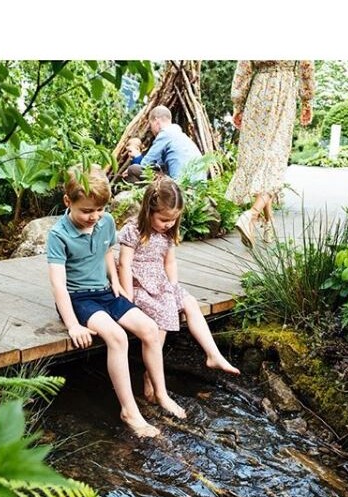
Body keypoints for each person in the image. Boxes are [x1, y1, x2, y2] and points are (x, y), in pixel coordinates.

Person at [47, 165, 186, 438]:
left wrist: (117, 284)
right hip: (78, 299)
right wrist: (74, 325)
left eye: (99, 210)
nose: (94, 217)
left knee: (148, 328)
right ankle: (130, 411)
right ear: (68, 202)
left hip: (106, 292)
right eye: (86, 211)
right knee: (118, 337)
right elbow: (58, 284)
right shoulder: (58, 235)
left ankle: (160, 393)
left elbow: (108, 253)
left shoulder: (106, 221)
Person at [118, 176, 240, 400]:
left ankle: (213, 354)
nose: (169, 224)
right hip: (139, 286)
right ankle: (151, 375)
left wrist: (173, 287)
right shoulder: (133, 230)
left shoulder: (166, 233)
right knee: (164, 314)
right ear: (148, 211)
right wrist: (126, 298)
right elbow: (124, 264)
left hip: (161, 283)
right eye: (164, 219)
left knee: (190, 302)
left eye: (173, 219)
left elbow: (169, 262)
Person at [227, 60, 315, 248]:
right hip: (283, 93)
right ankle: (251, 215)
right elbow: (306, 64)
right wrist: (307, 99)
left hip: (258, 93)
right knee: (275, 158)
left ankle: (269, 224)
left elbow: (244, 67)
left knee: (259, 157)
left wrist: (238, 103)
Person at [125, 105, 207, 184]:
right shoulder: (181, 136)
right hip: (198, 187)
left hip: (180, 186)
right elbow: (160, 165)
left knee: (133, 169)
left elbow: (145, 165)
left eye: (151, 125)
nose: (151, 130)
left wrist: (137, 156)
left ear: (157, 121)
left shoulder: (165, 134)